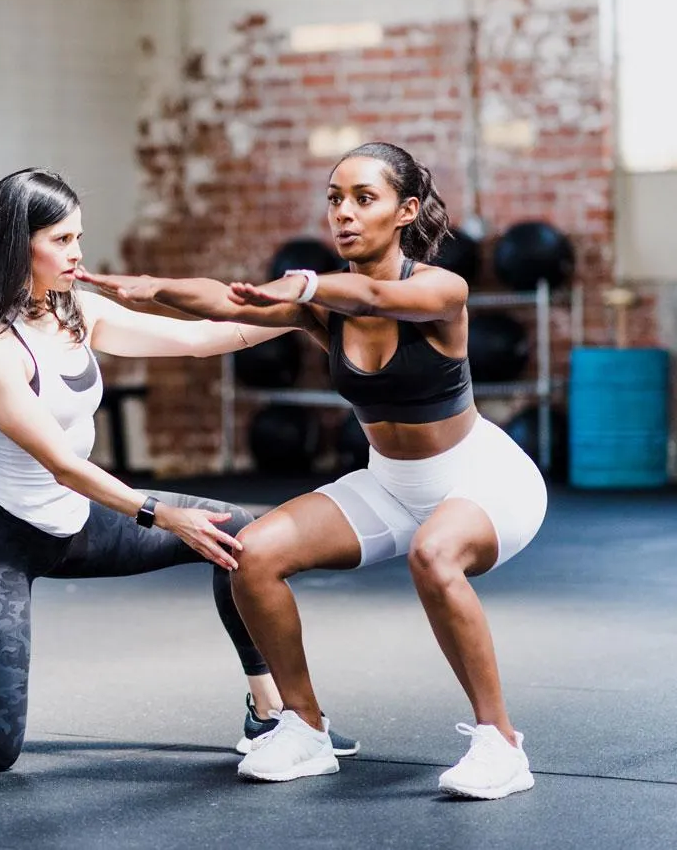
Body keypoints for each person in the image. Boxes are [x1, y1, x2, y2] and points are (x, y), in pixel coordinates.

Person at [0, 167, 358, 772]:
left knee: (238, 534)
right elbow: (61, 465)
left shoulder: (75, 310)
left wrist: (302, 311)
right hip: (1, 542)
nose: (77, 253)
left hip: (78, 525)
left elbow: (197, 339)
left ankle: (269, 712)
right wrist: (163, 514)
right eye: (60, 240)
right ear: (16, 245)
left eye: (78, 237)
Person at [77, 141, 548, 799]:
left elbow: (377, 296)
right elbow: (225, 302)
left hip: (483, 479)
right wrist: (152, 287)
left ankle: (501, 742)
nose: (344, 213)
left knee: (435, 555)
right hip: (390, 484)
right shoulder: (321, 307)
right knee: (252, 554)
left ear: (406, 210)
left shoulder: (443, 289)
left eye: (364, 198)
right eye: (334, 199)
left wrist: (303, 283)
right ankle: (304, 726)